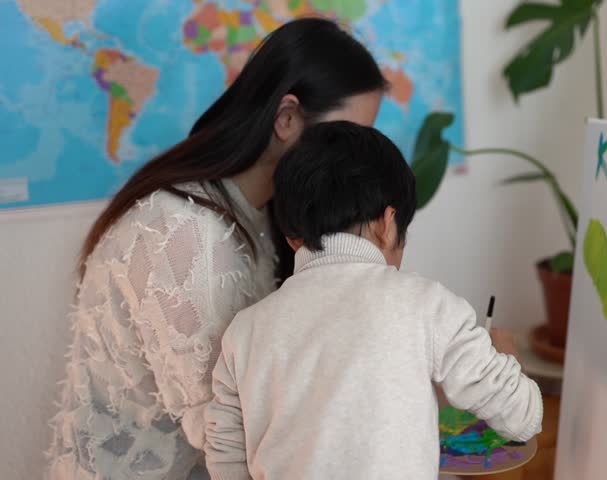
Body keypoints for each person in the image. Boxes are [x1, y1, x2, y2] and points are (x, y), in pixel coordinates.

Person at [46, 18, 388, 479]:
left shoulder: (263, 216)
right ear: (286, 118)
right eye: (345, 138)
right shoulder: (183, 233)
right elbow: (228, 432)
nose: (357, 163)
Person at [203, 121, 543, 480]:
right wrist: (507, 361)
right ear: (388, 223)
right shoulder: (428, 306)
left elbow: (225, 456)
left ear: (290, 236)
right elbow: (522, 418)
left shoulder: (246, 329)